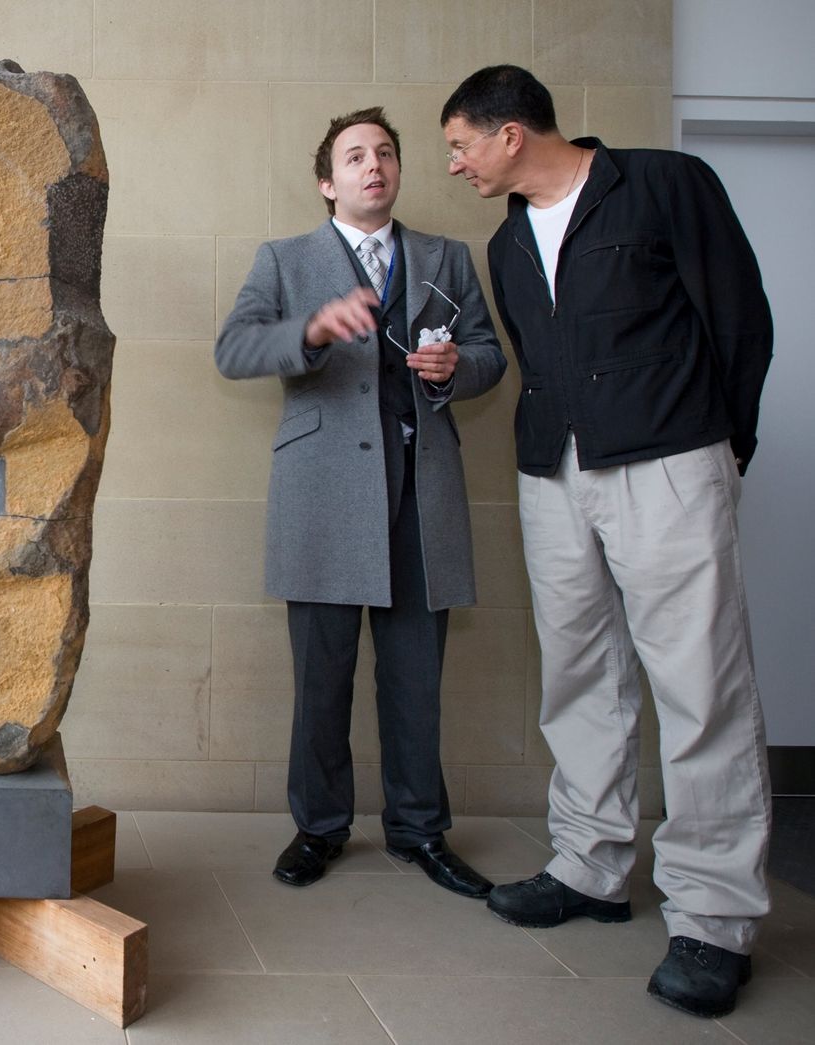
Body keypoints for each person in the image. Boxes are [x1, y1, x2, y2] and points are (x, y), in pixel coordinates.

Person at [440, 66, 773, 1017]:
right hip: (554, 475)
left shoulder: (664, 184)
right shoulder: (507, 245)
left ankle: (714, 917)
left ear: (512, 135)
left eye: (462, 143)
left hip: (669, 457)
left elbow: (740, 320)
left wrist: (718, 446)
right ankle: (590, 864)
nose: (456, 164)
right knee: (579, 672)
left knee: (701, 681)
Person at [215, 107, 506, 898]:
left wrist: (459, 367)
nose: (372, 164)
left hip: (424, 491)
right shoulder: (284, 260)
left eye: (384, 153)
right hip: (323, 497)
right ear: (327, 181)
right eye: (354, 156)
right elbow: (233, 348)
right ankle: (319, 827)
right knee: (323, 675)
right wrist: (309, 329)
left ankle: (419, 830)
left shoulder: (446, 257)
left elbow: (490, 357)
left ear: (398, 171)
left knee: (416, 677)